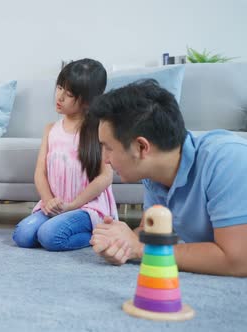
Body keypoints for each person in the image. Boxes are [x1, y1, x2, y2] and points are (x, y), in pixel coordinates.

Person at [89, 79, 247, 277]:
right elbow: (149, 234)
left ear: (141, 147)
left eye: (109, 148)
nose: (104, 159)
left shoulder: (228, 160)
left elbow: (238, 260)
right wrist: (121, 242)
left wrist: (139, 249)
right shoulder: (155, 176)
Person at [12, 58, 118, 251]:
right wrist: (48, 200)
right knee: (23, 235)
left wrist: (73, 204)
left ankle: (100, 233)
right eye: (59, 88)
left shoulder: (99, 130)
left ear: (87, 101)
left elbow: (106, 176)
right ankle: (56, 225)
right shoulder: (50, 129)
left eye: (68, 94)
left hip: (87, 207)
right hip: (55, 206)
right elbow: (40, 171)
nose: (59, 97)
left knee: (49, 236)